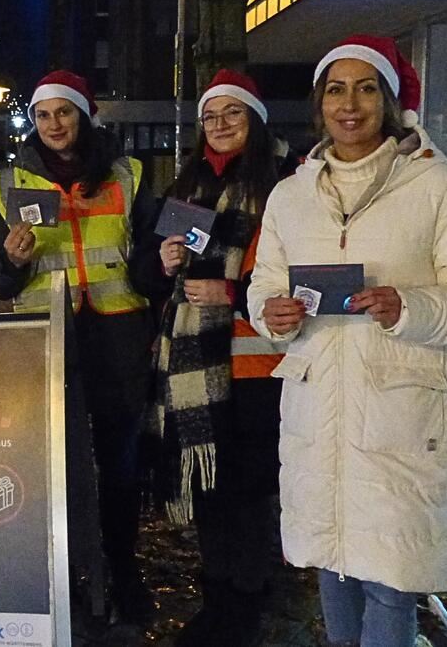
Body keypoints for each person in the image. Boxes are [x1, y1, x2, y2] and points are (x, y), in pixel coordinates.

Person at [246, 35, 447, 647]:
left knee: (390, 580)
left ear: (389, 101)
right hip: (320, 412)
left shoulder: (442, 187)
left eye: (367, 88)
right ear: (319, 104)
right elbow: (264, 284)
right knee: (335, 565)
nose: (350, 104)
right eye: (336, 89)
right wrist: (270, 314)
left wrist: (408, 305)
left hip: (403, 413)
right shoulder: (292, 194)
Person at [0, 70, 155, 622]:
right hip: (48, 347)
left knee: (121, 469)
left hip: (119, 343)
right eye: (44, 114)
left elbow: (148, 263)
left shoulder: (129, 175)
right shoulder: (8, 184)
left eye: (65, 112)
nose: (54, 124)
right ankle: (69, 578)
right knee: (58, 469)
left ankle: (123, 569)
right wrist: (12, 260)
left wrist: (163, 266)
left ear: (84, 115)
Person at [129, 69, 297, 646]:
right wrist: (164, 262)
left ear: (254, 119)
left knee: (248, 488)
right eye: (211, 116)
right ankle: (218, 596)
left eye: (233, 113)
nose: (221, 125)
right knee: (208, 486)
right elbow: (147, 277)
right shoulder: (188, 186)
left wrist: (233, 296)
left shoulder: (285, 183)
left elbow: (296, 275)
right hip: (191, 366)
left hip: (252, 365)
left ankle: (246, 602)